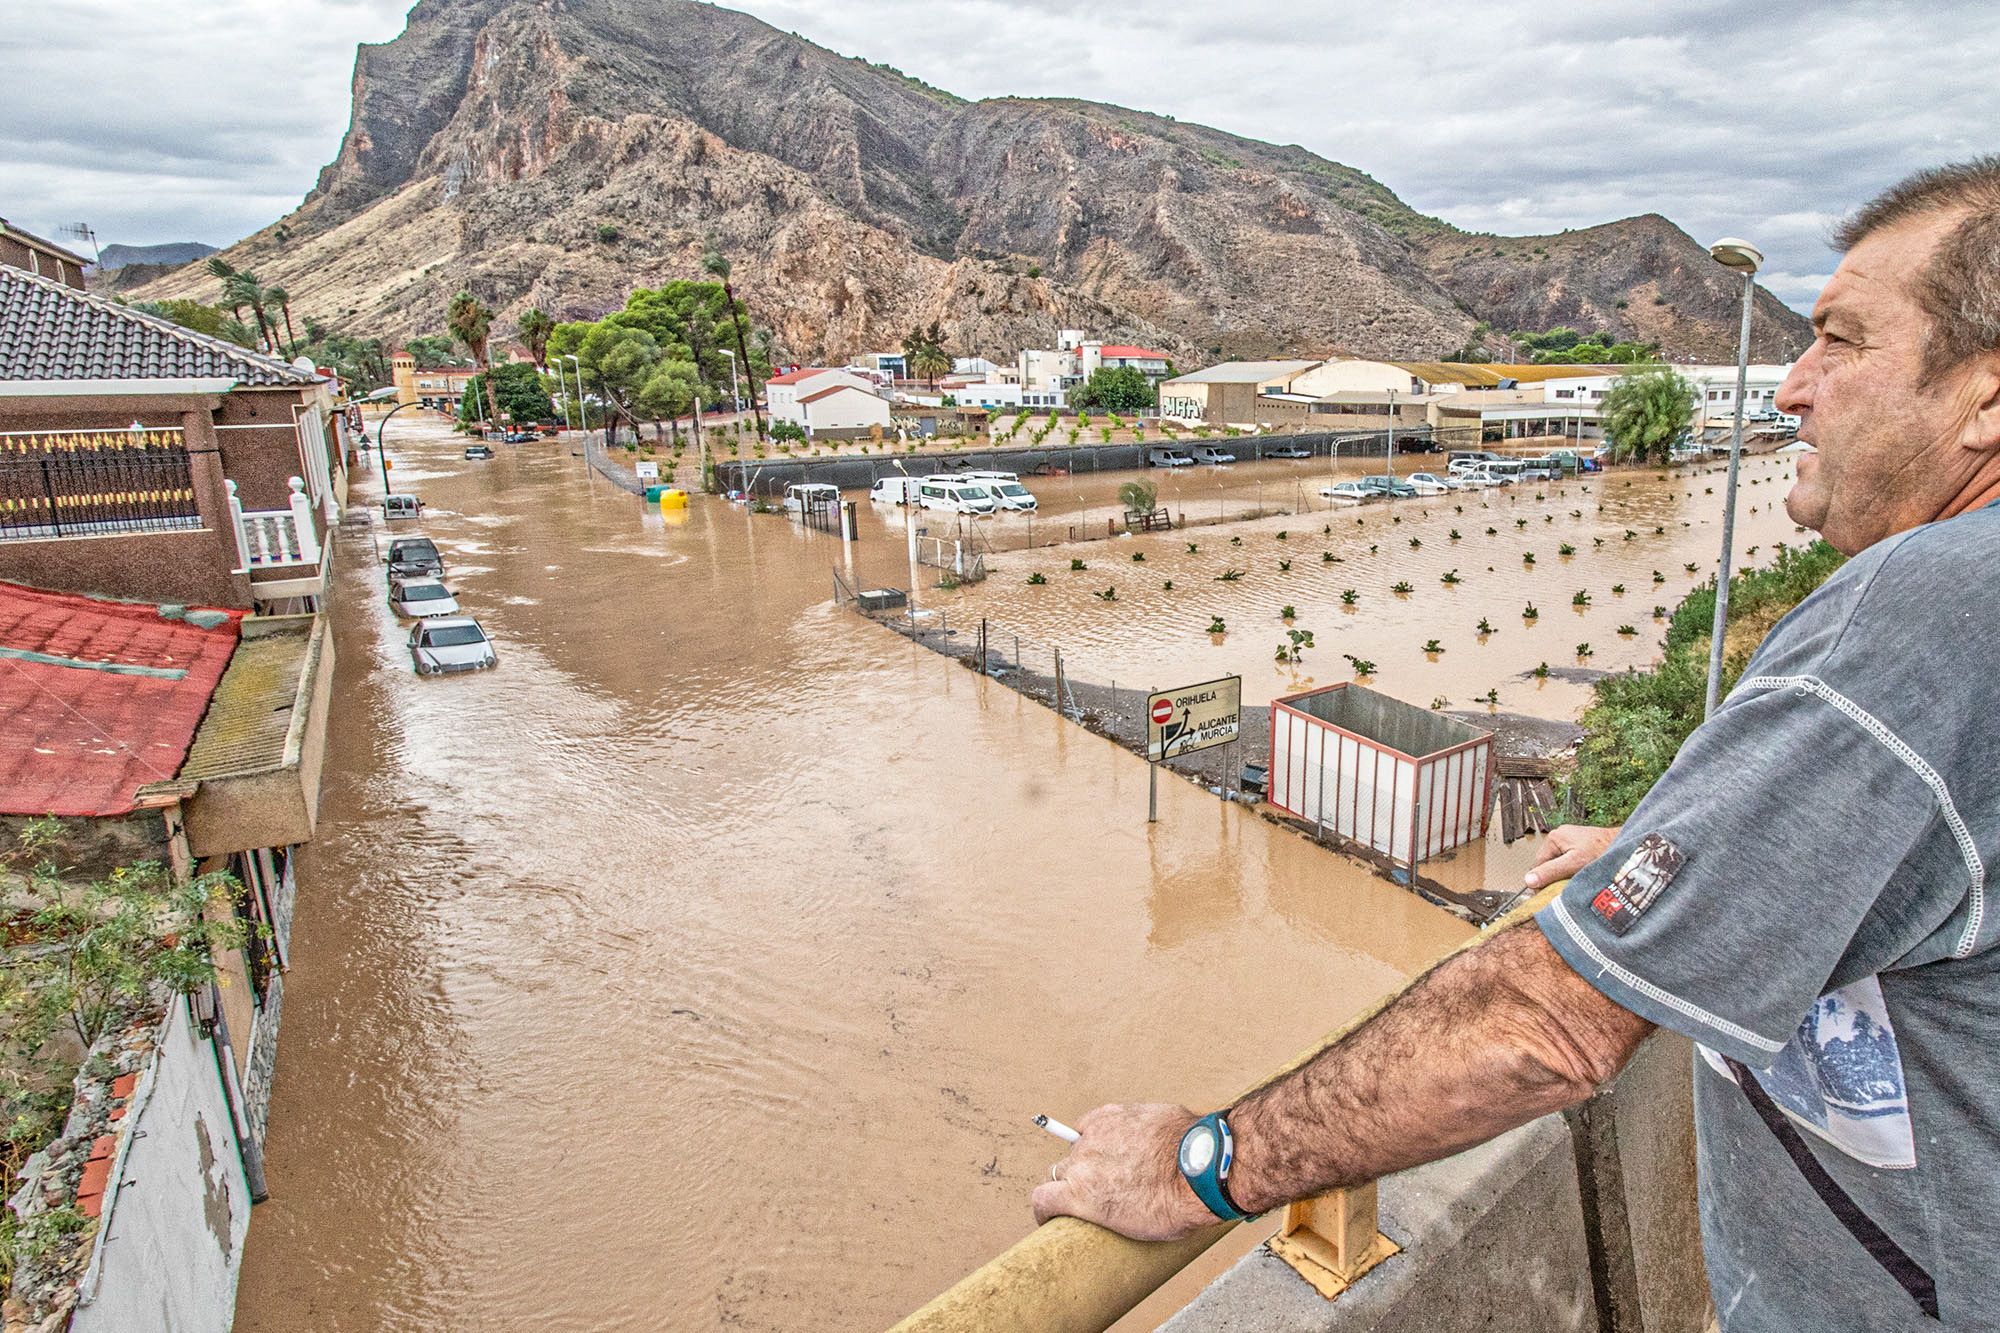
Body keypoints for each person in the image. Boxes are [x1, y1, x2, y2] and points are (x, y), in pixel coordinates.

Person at [1033, 158, 2000, 1332]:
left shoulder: (1932, 611)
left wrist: (1199, 1162)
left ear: (1984, 397)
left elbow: (1544, 1020)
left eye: (1839, 339)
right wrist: (1697, 860)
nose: (1789, 388)